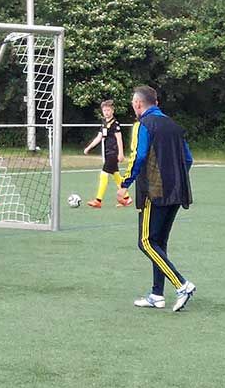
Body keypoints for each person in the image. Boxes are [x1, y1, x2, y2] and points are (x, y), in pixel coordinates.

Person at [118, 85, 196, 312]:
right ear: (157, 103)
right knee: (159, 243)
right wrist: (174, 180)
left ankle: (182, 285)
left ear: (138, 104)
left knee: (145, 242)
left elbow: (139, 156)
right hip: (177, 192)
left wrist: (124, 184)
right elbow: (188, 159)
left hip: (154, 192)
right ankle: (156, 295)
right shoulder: (173, 126)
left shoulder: (143, 124)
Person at [82, 100, 128, 208]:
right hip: (107, 153)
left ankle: (98, 200)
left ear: (112, 111)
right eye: (104, 110)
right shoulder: (104, 123)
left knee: (103, 174)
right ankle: (126, 198)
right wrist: (89, 147)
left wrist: (121, 153)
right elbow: (99, 137)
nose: (106, 112)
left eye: (108, 110)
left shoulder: (115, 124)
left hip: (113, 153)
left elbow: (119, 139)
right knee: (116, 175)